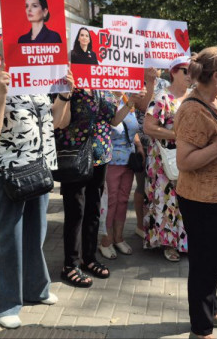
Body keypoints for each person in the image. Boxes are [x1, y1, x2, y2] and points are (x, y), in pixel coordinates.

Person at [0, 52, 72, 329]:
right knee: (7, 239)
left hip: (38, 169)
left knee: (34, 235)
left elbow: (56, 123)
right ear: (3, 53)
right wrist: (1, 95)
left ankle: (35, 288)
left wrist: (64, 95)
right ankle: (4, 303)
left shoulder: (37, 82)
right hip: (4, 172)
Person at [174, 46, 217, 338]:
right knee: (204, 262)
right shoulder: (192, 109)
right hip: (201, 200)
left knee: (215, 258)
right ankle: (201, 328)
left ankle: (210, 311)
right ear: (216, 76)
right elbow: (184, 161)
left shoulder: (215, 99)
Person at [55, 84, 143, 287]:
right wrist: (66, 93)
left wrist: (130, 102)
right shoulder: (71, 85)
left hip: (100, 155)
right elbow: (61, 123)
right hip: (75, 156)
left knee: (94, 209)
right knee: (75, 212)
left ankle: (89, 257)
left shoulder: (103, 87)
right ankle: (70, 264)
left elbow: (113, 121)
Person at [143, 56, 191, 262]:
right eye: (185, 71)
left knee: (186, 200)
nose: (190, 75)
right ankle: (168, 243)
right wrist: (176, 135)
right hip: (164, 160)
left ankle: (185, 241)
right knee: (167, 201)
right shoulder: (162, 96)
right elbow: (148, 127)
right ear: (173, 72)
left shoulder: (193, 97)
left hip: (188, 157)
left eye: (193, 71)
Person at [99, 92, 141, 259]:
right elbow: (111, 123)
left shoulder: (126, 98)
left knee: (123, 200)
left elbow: (132, 128)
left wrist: (139, 145)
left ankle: (118, 238)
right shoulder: (105, 98)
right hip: (111, 161)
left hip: (128, 161)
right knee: (111, 201)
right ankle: (106, 241)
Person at [133, 68, 169, 239]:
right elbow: (143, 106)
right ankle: (140, 225)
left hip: (161, 145)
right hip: (142, 143)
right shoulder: (135, 83)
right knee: (142, 186)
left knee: (159, 188)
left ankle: (156, 225)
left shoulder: (165, 84)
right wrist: (149, 81)